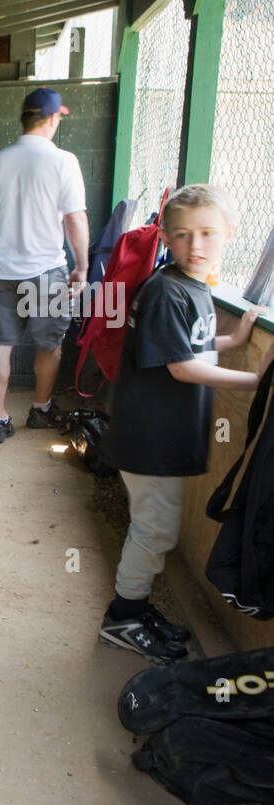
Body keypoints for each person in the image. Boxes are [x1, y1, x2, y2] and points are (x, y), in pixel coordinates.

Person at [99, 184, 273, 662]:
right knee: (155, 532)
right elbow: (181, 365)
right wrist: (255, 379)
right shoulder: (166, 291)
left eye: (207, 234)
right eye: (182, 235)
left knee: (156, 530)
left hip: (158, 437)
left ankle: (134, 605)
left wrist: (234, 337)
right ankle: (123, 616)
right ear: (166, 239)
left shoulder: (189, 286)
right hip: (149, 441)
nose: (196, 246)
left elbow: (190, 342)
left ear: (230, 234)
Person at [0, 87, 89, 443]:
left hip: (0, 270)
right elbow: (75, 220)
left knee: (1, 345)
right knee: (49, 345)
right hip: (46, 271)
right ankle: (39, 408)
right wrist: (81, 268)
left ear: (24, 119)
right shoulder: (63, 161)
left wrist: (1, 234)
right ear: (53, 119)